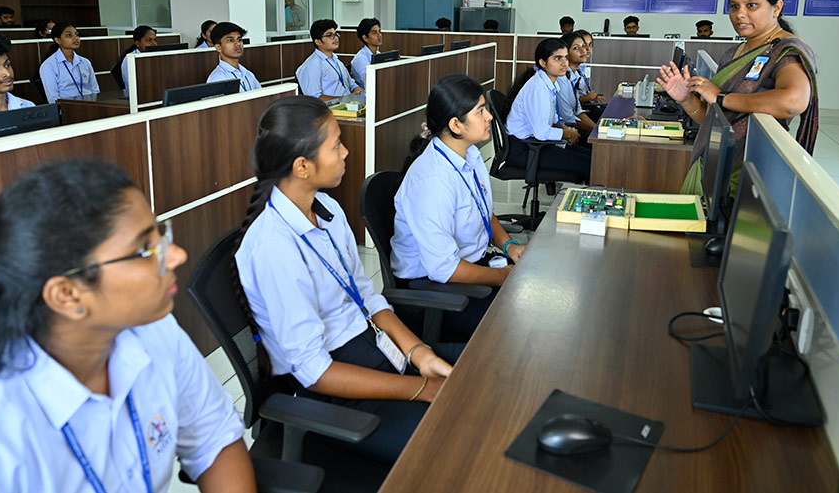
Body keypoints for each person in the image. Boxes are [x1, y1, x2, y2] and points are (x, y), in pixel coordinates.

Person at [0, 160, 257, 492]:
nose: (177, 255)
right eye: (144, 249)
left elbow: (214, 440)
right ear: (66, 294)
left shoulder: (153, 330)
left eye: (159, 236)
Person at [235, 97, 461, 464]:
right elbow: (315, 371)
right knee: (456, 440)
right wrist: (421, 388)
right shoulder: (273, 247)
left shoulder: (328, 210)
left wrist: (418, 353)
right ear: (302, 166)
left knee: (477, 377)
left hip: (372, 346)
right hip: (336, 388)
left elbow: (366, 297)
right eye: (336, 145)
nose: (346, 152)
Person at [657, 0, 819, 194]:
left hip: (744, 175)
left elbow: (794, 101)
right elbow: (713, 119)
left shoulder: (786, 51)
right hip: (713, 163)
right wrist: (686, 99)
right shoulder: (735, 52)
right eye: (734, 7)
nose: (740, 14)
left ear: (777, 8)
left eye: (752, 5)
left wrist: (722, 97)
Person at [391, 75, 525, 340]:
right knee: (521, 326)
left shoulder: (469, 154)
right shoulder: (433, 180)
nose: (490, 117)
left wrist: (509, 246)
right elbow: (445, 269)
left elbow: (483, 211)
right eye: (480, 111)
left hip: (469, 267)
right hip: (435, 291)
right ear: (455, 125)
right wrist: (502, 276)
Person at [504, 37, 591, 180]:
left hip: (536, 143)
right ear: (543, 63)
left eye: (566, 57)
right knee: (588, 165)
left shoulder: (549, 83)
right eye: (557, 58)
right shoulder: (538, 88)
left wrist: (566, 129)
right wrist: (566, 134)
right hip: (525, 149)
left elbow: (551, 117)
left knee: (592, 156)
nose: (564, 63)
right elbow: (541, 132)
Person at [295, 19, 361, 101]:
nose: (336, 38)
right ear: (318, 42)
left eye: (336, 34)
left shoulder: (337, 61)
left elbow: (352, 85)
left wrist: (361, 92)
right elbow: (314, 98)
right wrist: (345, 99)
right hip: (331, 108)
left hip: (348, 104)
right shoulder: (312, 65)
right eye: (330, 35)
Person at [38, 23, 100, 103]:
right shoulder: (49, 66)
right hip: (67, 108)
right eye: (69, 35)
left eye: (76, 34)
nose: (76, 38)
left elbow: (95, 90)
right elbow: (53, 99)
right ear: (58, 40)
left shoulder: (85, 62)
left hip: (90, 105)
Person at [556, 32, 598, 136]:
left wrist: (596, 130)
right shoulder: (561, 78)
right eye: (576, 48)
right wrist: (596, 132)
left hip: (572, 125)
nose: (584, 50)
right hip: (566, 130)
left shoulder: (573, 75)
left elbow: (578, 111)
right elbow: (568, 118)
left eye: (583, 46)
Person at [206, 21, 261, 92]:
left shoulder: (248, 74)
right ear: (219, 47)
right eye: (230, 40)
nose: (238, 44)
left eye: (239, 40)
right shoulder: (217, 79)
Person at [120, 25, 157, 91]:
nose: (154, 44)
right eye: (149, 40)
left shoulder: (154, 56)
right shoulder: (130, 59)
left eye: (155, 40)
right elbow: (136, 85)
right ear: (137, 43)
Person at [350, 17, 382, 91]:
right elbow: (371, 82)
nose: (379, 35)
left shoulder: (378, 54)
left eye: (379, 31)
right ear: (365, 38)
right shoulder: (360, 58)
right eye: (374, 33)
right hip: (367, 94)